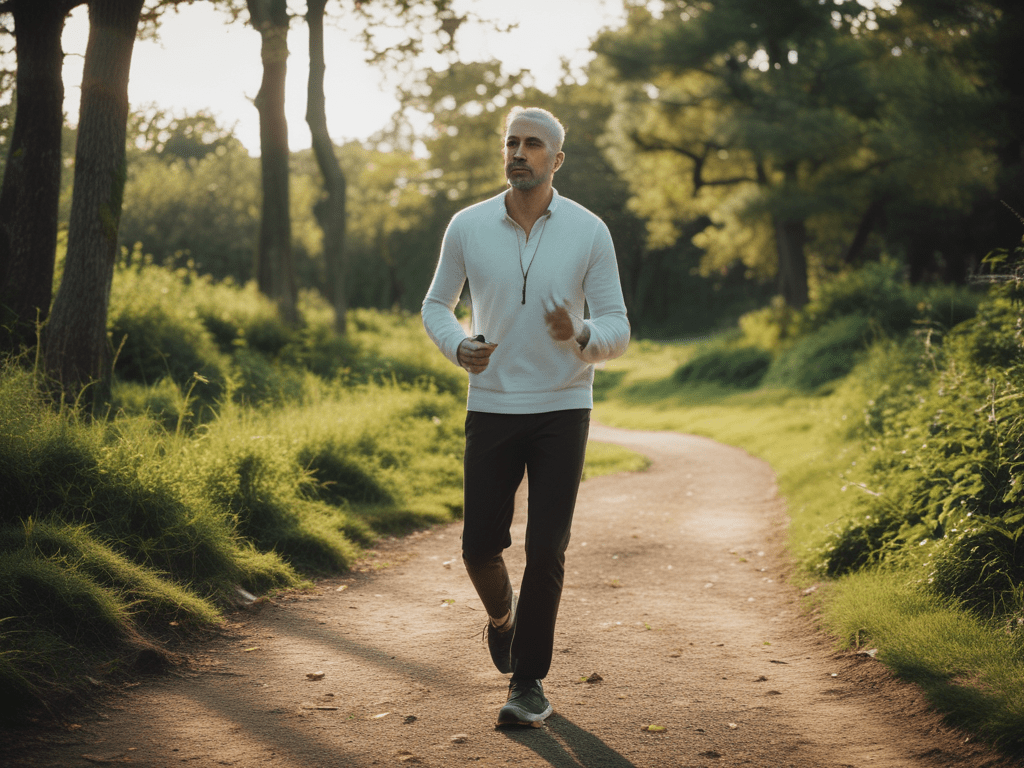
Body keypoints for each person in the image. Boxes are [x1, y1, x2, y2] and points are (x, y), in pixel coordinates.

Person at [421, 106, 630, 727]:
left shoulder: (590, 231)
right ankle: (501, 616)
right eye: (511, 142)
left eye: (532, 144)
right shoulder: (467, 225)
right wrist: (457, 344)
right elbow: (437, 303)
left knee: (547, 550)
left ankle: (528, 681)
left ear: (556, 160)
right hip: (492, 405)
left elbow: (618, 327)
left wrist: (583, 329)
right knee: (478, 545)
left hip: (564, 405)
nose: (518, 152)